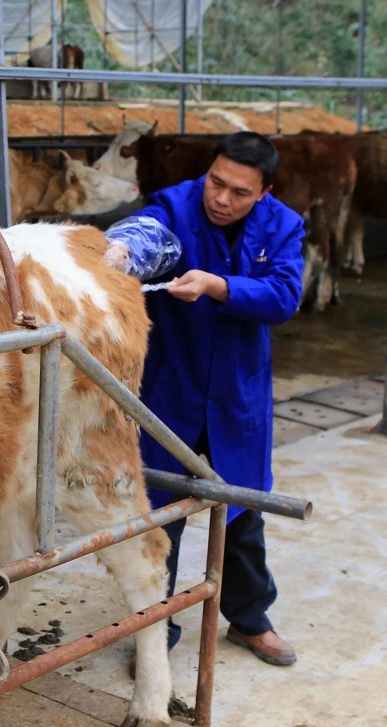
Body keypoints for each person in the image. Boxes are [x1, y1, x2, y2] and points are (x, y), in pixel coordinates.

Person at [104, 131, 304, 666]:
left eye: (239, 192)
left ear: (264, 192)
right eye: (216, 182)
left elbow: (284, 296)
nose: (221, 198)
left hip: (237, 397)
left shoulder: (283, 226)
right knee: (161, 516)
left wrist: (220, 286)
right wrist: (117, 252)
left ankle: (250, 618)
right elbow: (147, 234)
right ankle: (156, 632)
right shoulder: (174, 205)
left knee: (241, 513)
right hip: (173, 391)